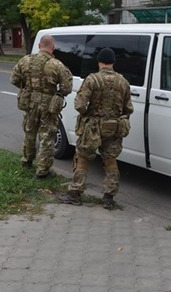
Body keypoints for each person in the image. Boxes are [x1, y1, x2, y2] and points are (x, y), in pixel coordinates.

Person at [58, 47, 133, 210]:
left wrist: (89, 113)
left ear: (99, 62)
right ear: (113, 62)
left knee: (83, 158)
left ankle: (75, 194)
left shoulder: (92, 80)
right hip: (113, 128)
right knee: (110, 160)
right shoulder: (123, 82)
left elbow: (79, 105)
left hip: (92, 127)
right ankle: (108, 198)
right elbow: (128, 109)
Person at [10, 34, 73, 178]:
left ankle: (27, 161)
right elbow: (67, 87)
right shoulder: (57, 65)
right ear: (52, 47)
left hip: (30, 102)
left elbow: (14, 79)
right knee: (47, 136)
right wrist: (57, 93)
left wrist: (27, 87)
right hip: (48, 105)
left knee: (29, 132)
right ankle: (42, 171)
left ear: (39, 46)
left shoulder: (25, 60)